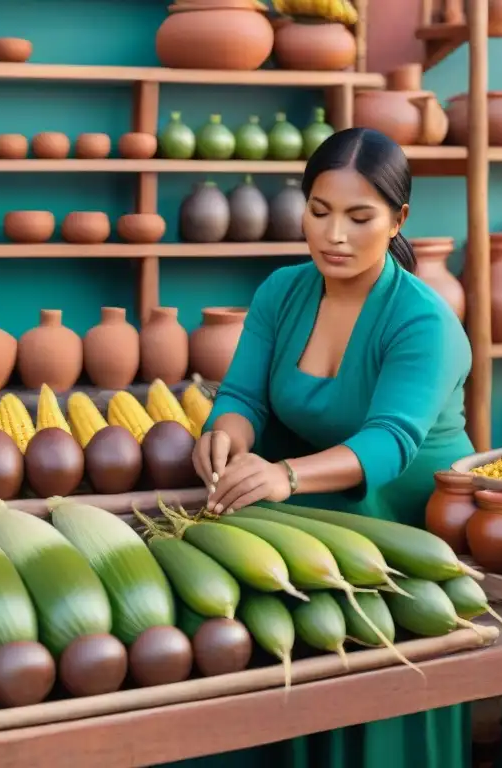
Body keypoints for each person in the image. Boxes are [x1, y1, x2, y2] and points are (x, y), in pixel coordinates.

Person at [186, 126, 475, 768]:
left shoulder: (423, 321)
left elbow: (388, 444)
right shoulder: (282, 291)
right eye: (318, 212)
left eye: (358, 216)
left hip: (403, 535)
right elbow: (244, 397)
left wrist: (283, 476)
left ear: (398, 218)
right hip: (310, 529)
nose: (333, 234)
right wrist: (223, 439)